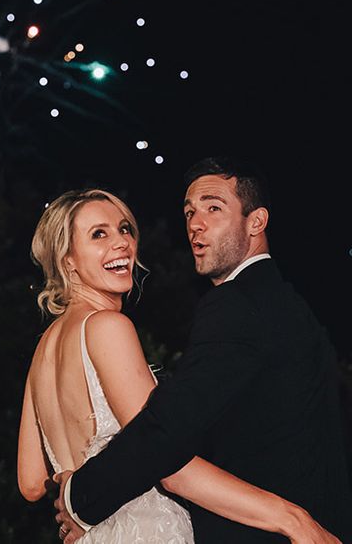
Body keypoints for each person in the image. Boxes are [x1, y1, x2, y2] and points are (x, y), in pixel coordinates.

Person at [50, 158, 352, 542]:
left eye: (213, 208)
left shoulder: (238, 305)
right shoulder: (285, 304)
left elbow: (168, 430)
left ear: (256, 222)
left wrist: (81, 496)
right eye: (190, 211)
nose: (195, 223)